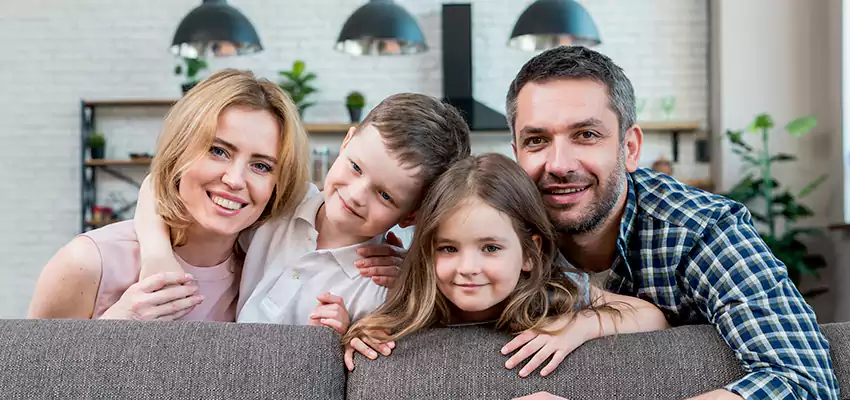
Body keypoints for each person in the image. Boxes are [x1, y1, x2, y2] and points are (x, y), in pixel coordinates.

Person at [506, 45, 839, 399]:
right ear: (516, 153)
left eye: (586, 135)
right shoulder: (494, 232)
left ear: (630, 148)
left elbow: (804, 380)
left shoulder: (700, 229)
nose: (558, 164)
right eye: (537, 140)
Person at [133, 93, 472, 332]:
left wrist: (342, 335)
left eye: (384, 195)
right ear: (346, 142)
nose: (355, 195)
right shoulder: (284, 199)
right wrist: (156, 254)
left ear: (410, 216)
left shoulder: (379, 284)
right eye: (355, 166)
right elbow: (158, 183)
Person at [342, 153, 670, 377]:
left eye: (490, 247)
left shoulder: (557, 293)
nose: (467, 267)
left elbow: (652, 316)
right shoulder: (414, 300)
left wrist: (581, 326)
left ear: (529, 253)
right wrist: (352, 332)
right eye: (448, 248)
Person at [27, 68, 310, 321]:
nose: (235, 180)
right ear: (179, 152)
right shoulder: (87, 262)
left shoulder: (264, 275)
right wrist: (114, 328)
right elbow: (30, 377)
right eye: (218, 151)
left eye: (261, 166)